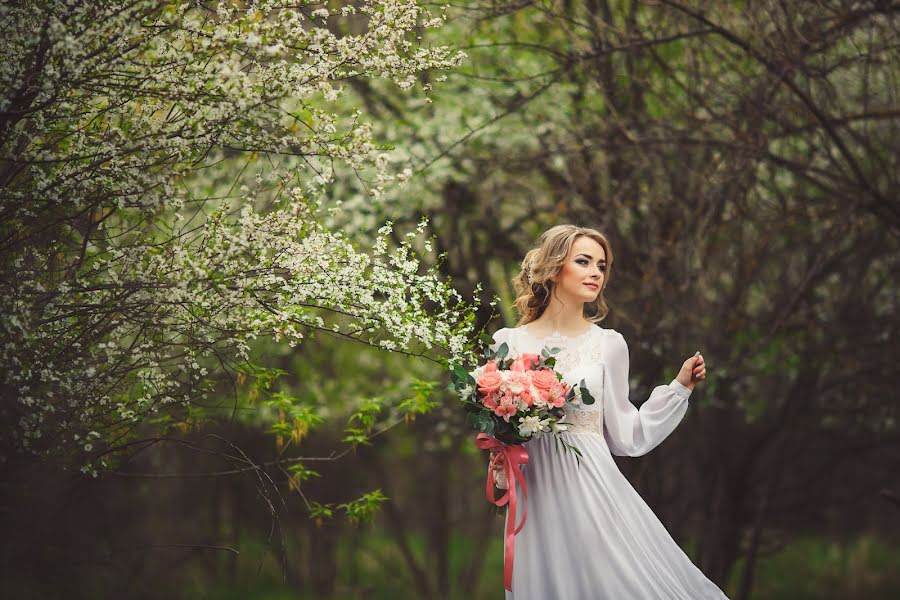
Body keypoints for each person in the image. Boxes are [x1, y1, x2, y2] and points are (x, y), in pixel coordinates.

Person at [486, 224, 729, 599]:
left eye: (602, 266)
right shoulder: (507, 343)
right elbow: (501, 430)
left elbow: (626, 436)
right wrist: (500, 462)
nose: (596, 272)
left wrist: (678, 389)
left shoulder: (609, 345)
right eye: (583, 261)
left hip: (592, 492)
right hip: (535, 496)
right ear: (553, 268)